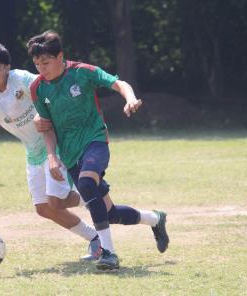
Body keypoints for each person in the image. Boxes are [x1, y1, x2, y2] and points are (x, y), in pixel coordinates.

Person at [27, 30, 169, 271]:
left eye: (46, 62)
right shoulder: (38, 89)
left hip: (95, 141)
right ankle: (155, 219)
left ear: (60, 56)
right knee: (109, 212)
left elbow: (118, 83)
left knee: (85, 184)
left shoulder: (83, 72)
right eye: (37, 64)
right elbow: (47, 128)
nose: (42, 68)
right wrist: (52, 157)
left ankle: (109, 253)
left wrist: (130, 98)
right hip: (70, 154)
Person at [0, 42, 102, 261]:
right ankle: (94, 234)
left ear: (7, 67)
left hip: (54, 144)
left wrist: (44, 114)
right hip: (32, 152)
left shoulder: (22, 79)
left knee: (55, 201)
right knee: (43, 208)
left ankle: (95, 202)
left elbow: (49, 90)